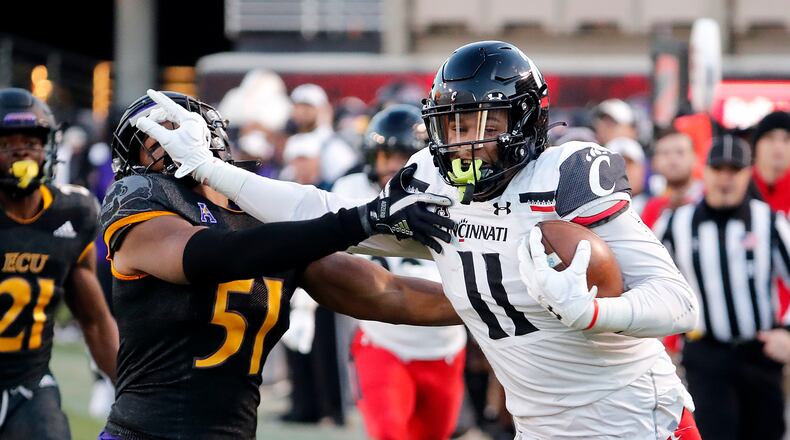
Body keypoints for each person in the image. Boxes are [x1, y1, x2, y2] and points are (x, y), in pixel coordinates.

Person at [157, 41, 701, 439]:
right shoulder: (433, 185)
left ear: (526, 119)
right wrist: (213, 168)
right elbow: (317, 211)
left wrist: (593, 313)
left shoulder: (567, 178)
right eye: (453, 126)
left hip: (636, 420)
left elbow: (679, 306)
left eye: (482, 124)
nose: (464, 144)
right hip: (540, 427)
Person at [97, 90, 460, 439]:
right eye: (154, 141)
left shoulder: (259, 216)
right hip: (145, 434)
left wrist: (492, 298)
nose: (168, 148)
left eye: (180, 132)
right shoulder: (140, 202)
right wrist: (361, 220)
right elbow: (214, 255)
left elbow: (386, 292)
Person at [333, 104, 467, 440]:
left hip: (445, 347)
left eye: (404, 156)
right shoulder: (352, 191)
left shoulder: (455, 194)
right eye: (386, 156)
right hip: (383, 342)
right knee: (390, 434)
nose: (394, 167)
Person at [654, 134, 790, 440]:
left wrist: (787, 330)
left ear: (747, 173)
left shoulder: (768, 221)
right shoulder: (676, 223)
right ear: (706, 171)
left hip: (760, 354)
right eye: (719, 169)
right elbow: (645, 280)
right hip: (706, 353)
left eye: (735, 170)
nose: (726, 178)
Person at [0, 88, 118, 439]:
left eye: (32, 141)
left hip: (29, 381)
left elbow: (95, 321)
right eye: (8, 143)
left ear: (49, 146)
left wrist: (131, 391)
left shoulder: (71, 213)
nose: (22, 151)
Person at [641, 129, 702, 229]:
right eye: (665, 153)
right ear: (655, 162)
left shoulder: (708, 197)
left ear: (695, 157)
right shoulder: (652, 207)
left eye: (680, 152)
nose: (672, 159)